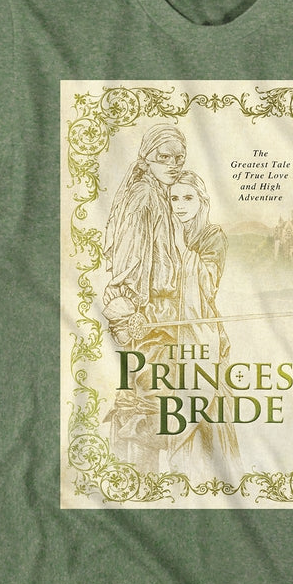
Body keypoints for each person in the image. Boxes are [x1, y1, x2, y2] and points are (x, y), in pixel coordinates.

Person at [102, 123, 186, 473]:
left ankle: (136, 483)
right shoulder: (144, 195)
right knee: (147, 407)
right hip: (145, 320)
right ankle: (138, 484)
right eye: (164, 157)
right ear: (146, 159)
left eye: (179, 158)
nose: (173, 165)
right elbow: (129, 260)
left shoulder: (159, 195)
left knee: (148, 403)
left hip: (159, 320)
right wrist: (130, 312)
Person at [167, 171, 243, 479]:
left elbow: (208, 285)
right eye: (174, 198)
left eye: (188, 198)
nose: (180, 205)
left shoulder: (213, 236)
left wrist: (181, 248)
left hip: (203, 333)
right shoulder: (163, 234)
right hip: (169, 334)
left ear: (202, 201)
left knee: (211, 406)